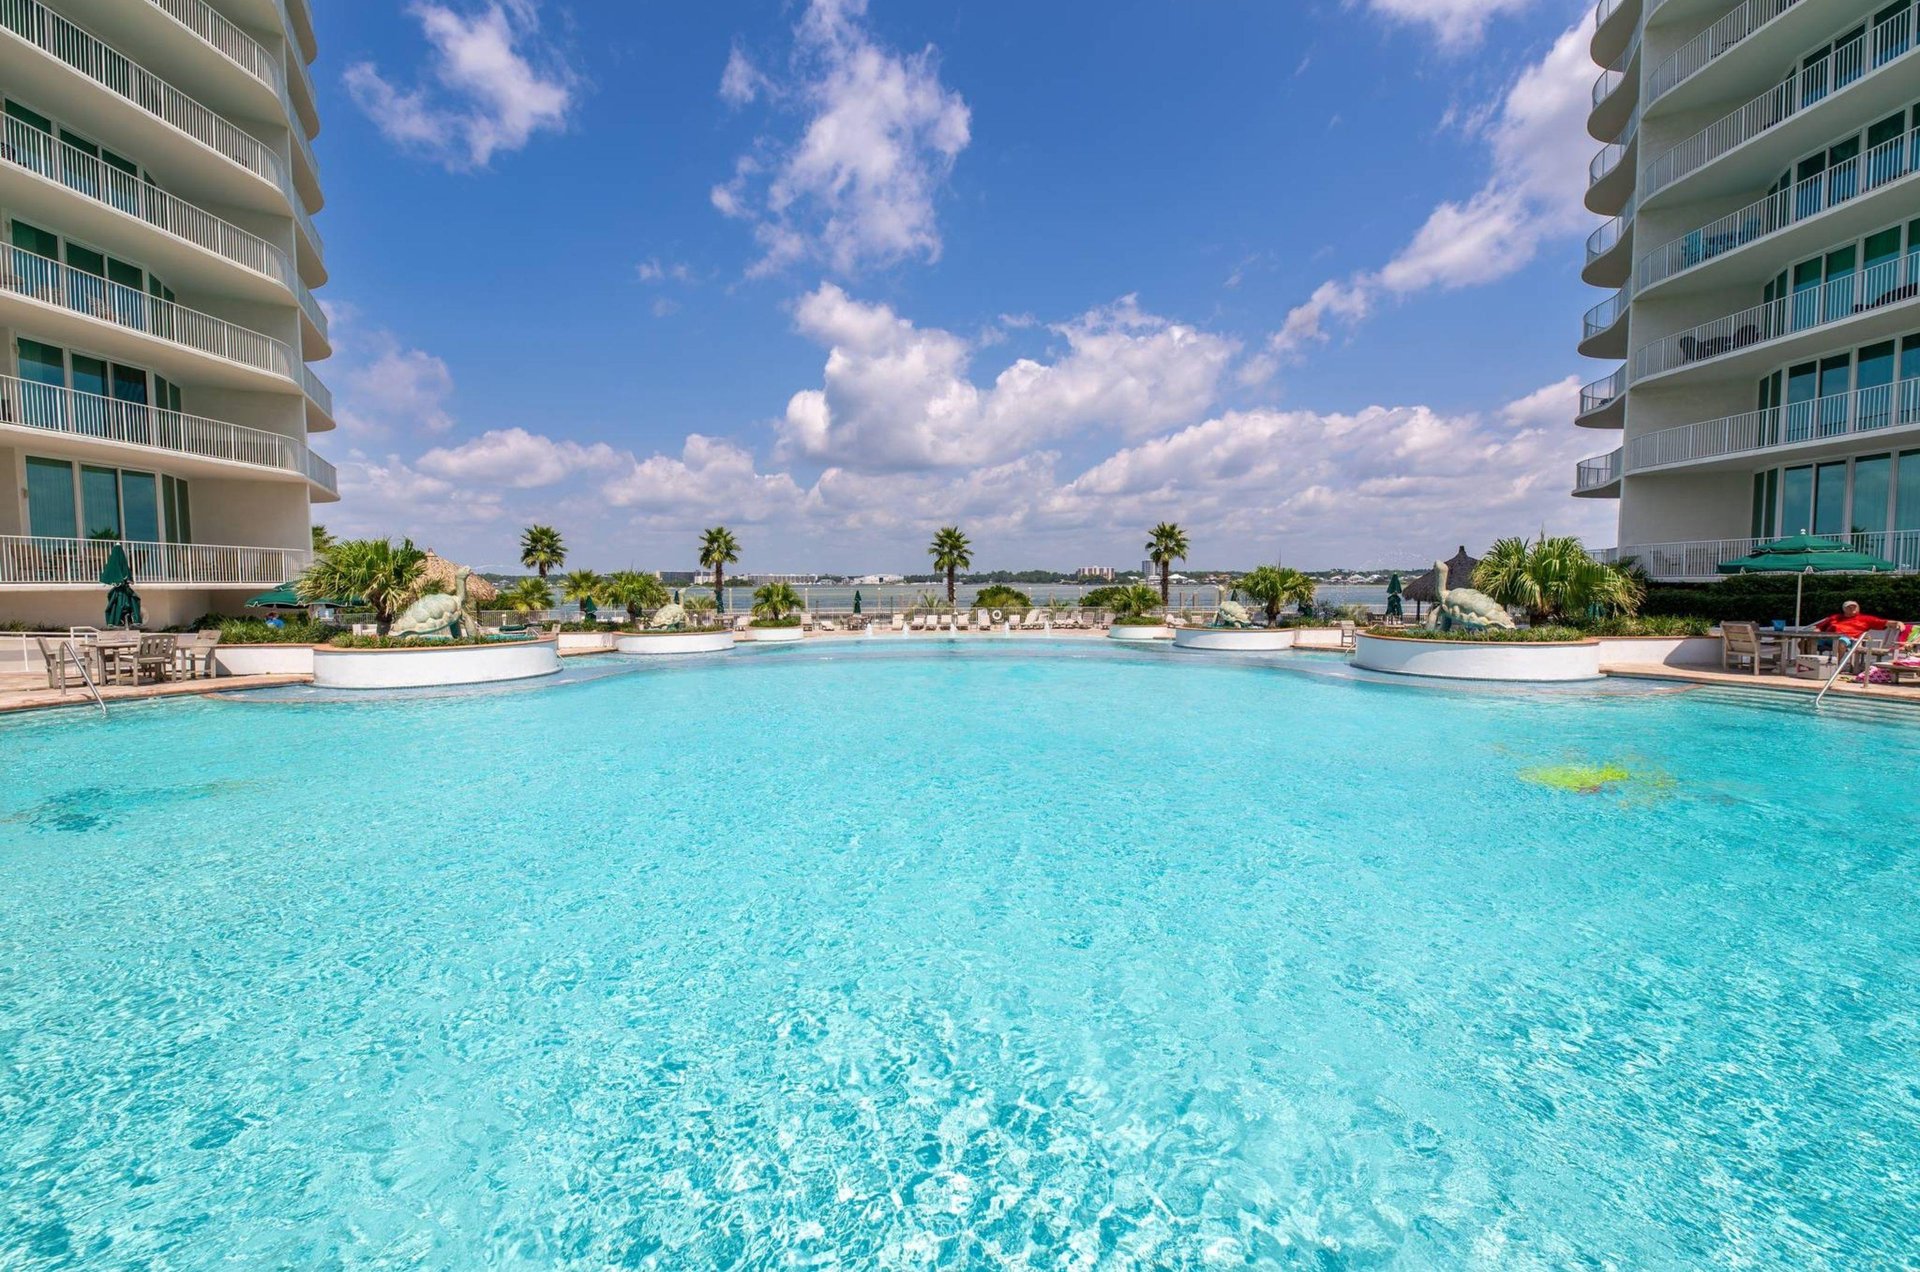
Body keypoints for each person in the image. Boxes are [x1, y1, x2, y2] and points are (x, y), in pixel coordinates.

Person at [1813, 600, 1889, 640]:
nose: (1852, 609)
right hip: (1828, 639)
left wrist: (1898, 623)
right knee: (1806, 642)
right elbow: (1819, 627)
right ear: (1844, 609)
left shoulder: (1865, 619)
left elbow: (1884, 623)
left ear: (1858, 608)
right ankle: (1807, 665)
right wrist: (1814, 633)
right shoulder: (1835, 617)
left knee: (1841, 642)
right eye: (1849, 607)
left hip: (1847, 640)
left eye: (1854, 607)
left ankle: (1837, 665)